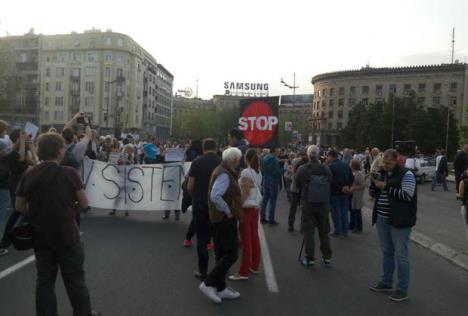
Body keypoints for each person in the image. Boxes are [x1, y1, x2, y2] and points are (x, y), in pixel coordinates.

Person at [14, 132, 101, 316]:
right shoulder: (69, 172)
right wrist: (68, 209)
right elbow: (84, 204)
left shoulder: (29, 174)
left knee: (44, 282)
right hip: (67, 235)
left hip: (41, 237)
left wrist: (38, 212)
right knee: (75, 280)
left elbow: (19, 206)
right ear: (60, 151)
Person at [369, 149, 417, 302]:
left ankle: (402, 289)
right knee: (386, 252)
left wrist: (385, 186)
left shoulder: (407, 174)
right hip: (382, 218)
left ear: (396, 160)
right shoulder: (383, 173)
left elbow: (407, 196)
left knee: (401, 255)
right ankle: (386, 282)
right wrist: (374, 184)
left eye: (388, 163)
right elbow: (374, 194)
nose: (384, 165)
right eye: (383, 162)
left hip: (399, 221)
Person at [199, 147, 243, 304]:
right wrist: (229, 211)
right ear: (233, 160)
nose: (239, 162)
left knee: (221, 253)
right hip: (225, 219)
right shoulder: (224, 174)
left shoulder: (224, 171)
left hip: (221, 218)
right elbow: (215, 196)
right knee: (231, 254)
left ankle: (221, 287)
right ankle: (209, 283)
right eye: (238, 159)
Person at [187, 139, 221, 280]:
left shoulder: (196, 162)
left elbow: (190, 186)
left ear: (203, 148)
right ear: (216, 147)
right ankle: (219, 269)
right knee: (218, 237)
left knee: (201, 238)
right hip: (217, 205)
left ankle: (203, 271)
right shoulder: (222, 162)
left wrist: (194, 195)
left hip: (200, 202)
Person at [295, 145, 333, 267]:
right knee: (324, 232)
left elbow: (296, 184)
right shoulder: (325, 168)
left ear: (307, 154)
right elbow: (331, 181)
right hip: (323, 204)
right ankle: (327, 257)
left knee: (309, 233)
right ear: (318, 154)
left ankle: (310, 259)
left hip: (308, 203)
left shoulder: (302, 169)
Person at [229, 148, 262, 280]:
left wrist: (237, 206)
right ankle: (254, 265)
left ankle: (243, 272)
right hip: (255, 208)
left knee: (246, 240)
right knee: (254, 237)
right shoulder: (258, 172)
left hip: (247, 209)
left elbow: (246, 192)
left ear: (246, 158)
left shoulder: (246, 172)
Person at [327, 149, 353, 237]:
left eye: (328, 156)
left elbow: (331, 181)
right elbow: (351, 177)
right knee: (344, 212)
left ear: (331, 156)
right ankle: (345, 231)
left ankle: (337, 231)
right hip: (345, 193)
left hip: (335, 193)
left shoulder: (331, 167)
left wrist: (341, 187)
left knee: (336, 213)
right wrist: (348, 186)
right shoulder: (345, 165)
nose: (327, 158)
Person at [288, 150, 309, 232]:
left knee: (293, 207)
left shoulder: (295, 161)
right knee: (304, 208)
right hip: (305, 188)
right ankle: (303, 227)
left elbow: (293, 171)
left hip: (295, 187)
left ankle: (290, 225)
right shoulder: (309, 162)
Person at [260, 147, 282, 225]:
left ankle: (262, 217)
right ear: (274, 151)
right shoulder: (274, 160)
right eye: (278, 151)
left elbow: (262, 169)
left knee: (264, 200)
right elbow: (276, 172)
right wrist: (284, 170)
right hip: (273, 182)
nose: (279, 152)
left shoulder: (265, 158)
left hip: (266, 180)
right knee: (272, 201)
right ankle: (271, 219)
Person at [349, 159, 366, 233]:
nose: (349, 165)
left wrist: (354, 188)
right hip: (353, 195)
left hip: (357, 195)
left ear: (353, 165)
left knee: (357, 212)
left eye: (350, 164)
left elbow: (363, 185)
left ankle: (358, 227)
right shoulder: (353, 172)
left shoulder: (359, 174)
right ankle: (352, 225)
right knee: (353, 211)